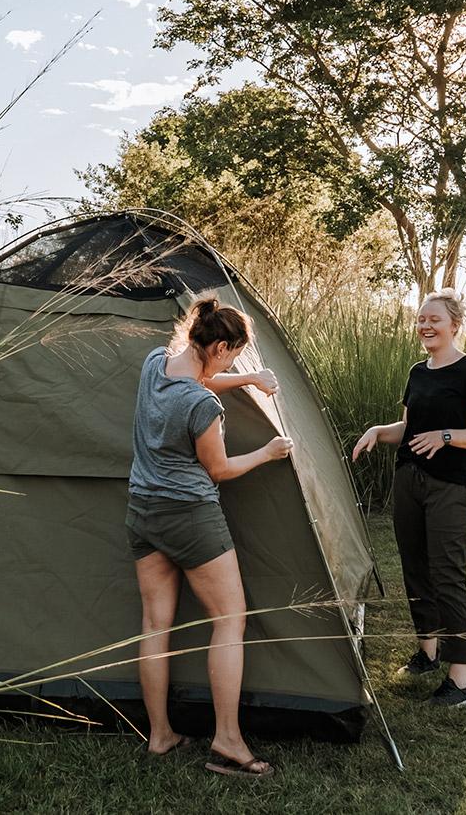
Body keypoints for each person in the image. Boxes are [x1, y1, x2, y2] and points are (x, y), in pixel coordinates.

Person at [128, 297, 291, 777]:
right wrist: (267, 452)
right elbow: (217, 469)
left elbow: (197, 377)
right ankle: (228, 739)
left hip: (142, 511)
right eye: (233, 357)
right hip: (190, 517)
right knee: (229, 620)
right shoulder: (203, 406)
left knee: (155, 624)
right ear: (220, 347)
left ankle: (160, 735)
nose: (232, 364)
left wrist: (247, 378)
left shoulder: (154, 364)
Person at [351, 289, 466, 708]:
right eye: (421, 319)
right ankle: (428, 653)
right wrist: (379, 431)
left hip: (452, 485)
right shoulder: (418, 372)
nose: (426, 325)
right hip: (409, 481)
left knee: (447, 575)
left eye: (434, 319)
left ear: (454, 324)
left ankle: (460, 683)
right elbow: (409, 428)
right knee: (415, 569)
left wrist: (447, 436)